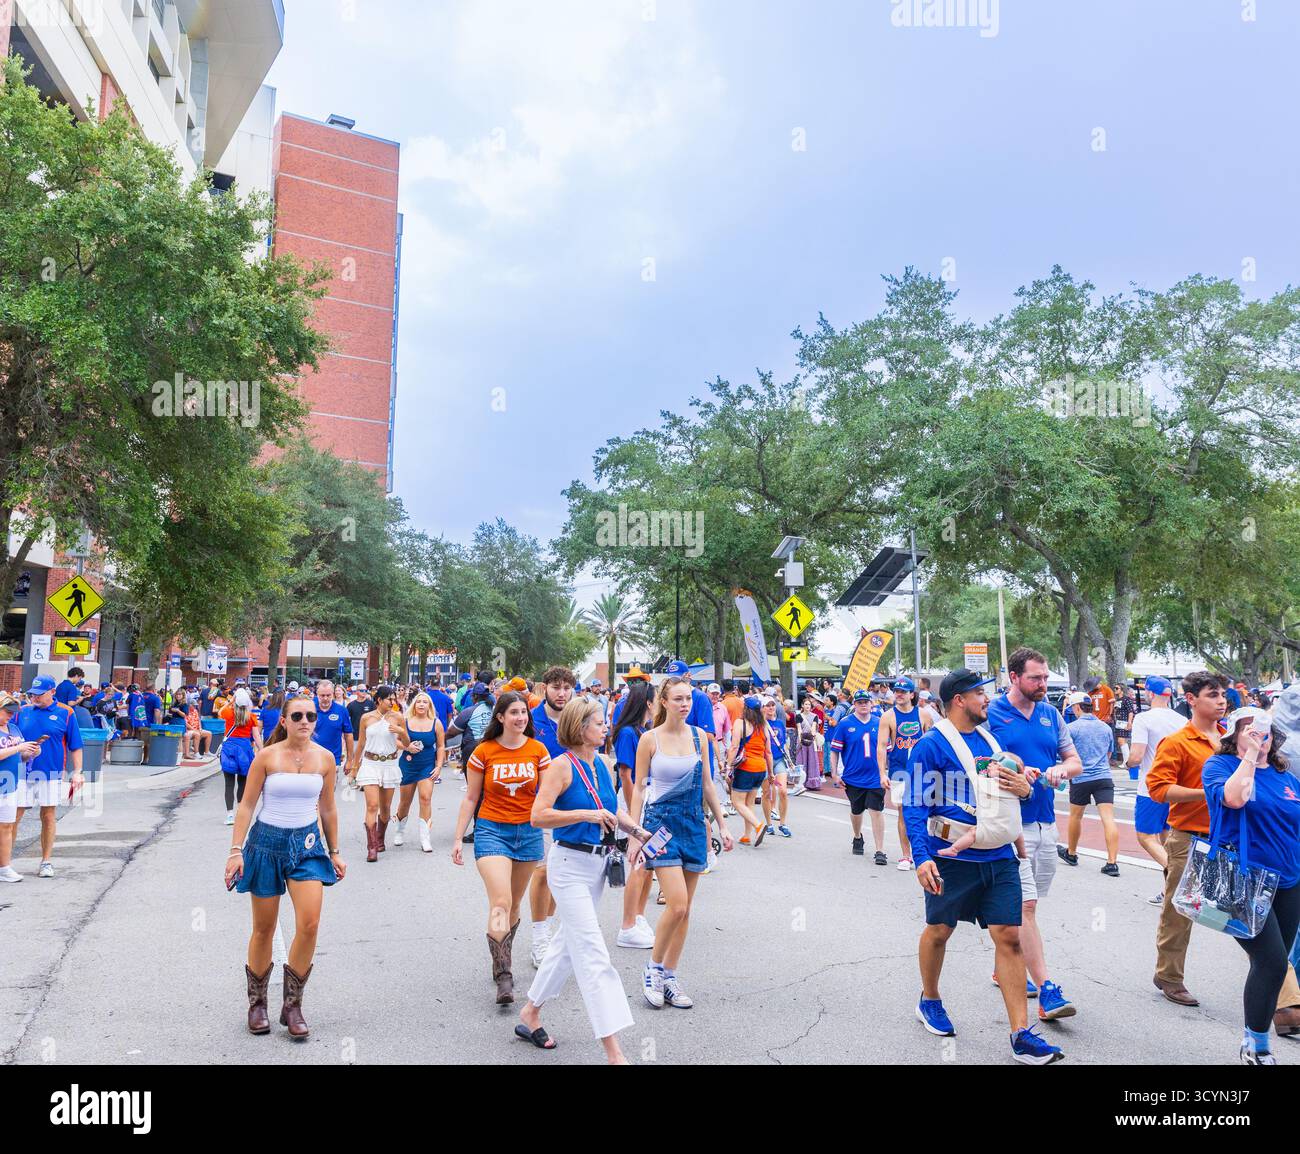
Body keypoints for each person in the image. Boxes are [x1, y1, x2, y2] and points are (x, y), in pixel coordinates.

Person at [902, 668, 1063, 1065]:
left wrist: (1025, 787)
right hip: (951, 857)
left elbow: (1015, 791)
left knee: (1008, 936)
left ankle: (1021, 1035)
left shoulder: (990, 740)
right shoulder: (930, 746)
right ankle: (930, 999)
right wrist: (921, 857)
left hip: (999, 856)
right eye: (979, 694)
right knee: (939, 930)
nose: (987, 699)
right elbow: (914, 805)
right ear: (959, 699)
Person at [517, 697, 653, 1063]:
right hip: (568, 865)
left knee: (566, 945)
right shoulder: (561, 767)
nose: (605, 727)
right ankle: (615, 1053)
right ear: (580, 728)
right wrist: (586, 814)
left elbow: (613, 811)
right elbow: (538, 816)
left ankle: (530, 1011)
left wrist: (640, 833)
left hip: (597, 866)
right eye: (598, 723)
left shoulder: (603, 763)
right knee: (593, 953)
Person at [224, 694, 344, 1039]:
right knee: (264, 927)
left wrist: (335, 850)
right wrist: (236, 850)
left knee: (309, 923)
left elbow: (329, 808)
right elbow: (246, 806)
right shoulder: (267, 756)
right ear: (284, 720)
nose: (305, 721)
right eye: (297, 716)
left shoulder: (325, 758)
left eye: (310, 716)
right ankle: (257, 1003)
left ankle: (293, 1005)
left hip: (306, 846)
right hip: (266, 844)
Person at [986, 647, 1082, 1021]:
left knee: (1029, 905)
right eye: (1035, 678)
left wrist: (1062, 770)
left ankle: (1003, 965)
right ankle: (1048, 992)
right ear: (1014, 677)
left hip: (1045, 822)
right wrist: (1009, 773)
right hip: (1010, 825)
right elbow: (978, 763)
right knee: (1024, 906)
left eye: (1045, 678)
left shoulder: (1051, 714)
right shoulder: (991, 713)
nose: (1043, 684)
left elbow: (1074, 760)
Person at [1202, 707, 1300, 1062]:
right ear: (1233, 734)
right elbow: (1235, 798)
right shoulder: (1220, 766)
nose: (1261, 734)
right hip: (1243, 881)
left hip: (1289, 882)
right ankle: (1255, 1045)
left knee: (1273, 963)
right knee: (1271, 962)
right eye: (1250, 728)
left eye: (1266, 730)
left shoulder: (1285, 775)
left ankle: (1255, 1039)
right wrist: (1250, 755)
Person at [630, 676, 734, 1009]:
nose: (685, 704)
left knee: (686, 910)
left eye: (688, 698)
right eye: (678, 699)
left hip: (692, 824)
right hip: (660, 825)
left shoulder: (699, 736)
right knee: (676, 903)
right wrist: (633, 833)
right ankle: (653, 969)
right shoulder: (649, 739)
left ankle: (671, 975)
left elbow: (707, 783)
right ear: (663, 701)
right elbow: (637, 788)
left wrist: (722, 824)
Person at [451, 691, 550, 1004]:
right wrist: (457, 838)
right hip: (492, 830)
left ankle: (501, 956)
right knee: (501, 902)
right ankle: (504, 973)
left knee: (516, 903)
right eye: (514, 713)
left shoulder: (538, 750)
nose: (520, 718)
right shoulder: (484, 751)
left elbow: (548, 796)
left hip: (529, 834)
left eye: (524, 712)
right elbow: (471, 797)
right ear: (500, 718)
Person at [527, 667, 576, 967]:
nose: (561, 693)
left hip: (572, 805)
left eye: (566, 687)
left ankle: (549, 925)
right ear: (545, 688)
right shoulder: (530, 718)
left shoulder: (577, 716)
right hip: (539, 804)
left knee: (562, 873)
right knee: (543, 871)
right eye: (556, 687)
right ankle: (539, 935)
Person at [1128, 675, 1187, 902]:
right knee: (1166, 837)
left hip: (1151, 787)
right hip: (1176, 787)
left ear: (1150, 694)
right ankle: (1169, 891)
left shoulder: (1144, 719)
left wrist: (1129, 764)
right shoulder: (1182, 721)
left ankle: (1179, 878)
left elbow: (1136, 755)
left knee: (1145, 837)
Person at [611, 678, 657, 949]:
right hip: (635, 799)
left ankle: (638, 916)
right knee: (638, 864)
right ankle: (627, 924)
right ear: (648, 703)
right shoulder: (629, 733)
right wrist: (633, 814)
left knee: (648, 864)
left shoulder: (643, 730)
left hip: (648, 797)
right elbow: (626, 774)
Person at [1058, 692, 1122, 875]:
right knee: (1108, 819)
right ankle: (1112, 862)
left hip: (1080, 778)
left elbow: (1065, 754)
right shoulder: (1105, 727)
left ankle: (1071, 853)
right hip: (1103, 777)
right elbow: (1110, 754)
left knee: (1075, 816)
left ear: (1077, 707)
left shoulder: (1072, 728)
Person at [350, 687, 413, 862]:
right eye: (389, 699)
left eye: (393, 699)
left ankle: (380, 839)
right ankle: (371, 848)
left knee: (385, 808)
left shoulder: (398, 717)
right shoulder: (366, 718)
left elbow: (407, 743)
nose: (392, 702)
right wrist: (354, 768)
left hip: (390, 764)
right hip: (370, 763)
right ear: (379, 700)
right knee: (372, 805)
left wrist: (401, 732)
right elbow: (361, 744)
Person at [878, 677, 933, 871]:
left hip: (922, 771)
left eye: (903, 691)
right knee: (903, 812)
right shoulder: (888, 716)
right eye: (896, 691)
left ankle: (924, 852)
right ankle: (906, 856)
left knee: (925, 811)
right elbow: (882, 746)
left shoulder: (924, 715)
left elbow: (932, 743)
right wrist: (882, 773)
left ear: (912, 694)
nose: (899, 694)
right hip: (898, 771)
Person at [830, 690, 887, 862]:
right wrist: (834, 773)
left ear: (871, 704)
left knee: (876, 810)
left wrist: (886, 772)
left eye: (866, 702)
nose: (863, 705)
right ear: (854, 704)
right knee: (856, 810)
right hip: (853, 776)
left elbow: (886, 750)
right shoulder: (845, 724)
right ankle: (857, 836)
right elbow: (835, 750)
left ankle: (880, 850)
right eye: (859, 702)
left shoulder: (879, 722)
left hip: (875, 776)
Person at [393, 691, 445, 853]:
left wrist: (439, 766)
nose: (421, 704)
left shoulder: (436, 723)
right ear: (414, 705)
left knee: (425, 798)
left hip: (427, 766)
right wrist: (406, 746)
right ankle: (399, 831)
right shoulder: (406, 721)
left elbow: (441, 746)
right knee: (405, 802)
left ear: (429, 705)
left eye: (425, 702)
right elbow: (395, 740)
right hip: (408, 765)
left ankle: (425, 837)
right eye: (419, 702)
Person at [0, 693, 42, 883]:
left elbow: (20, 757)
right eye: (7, 711)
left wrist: (31, 752)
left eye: (13, 712)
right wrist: (19, 748)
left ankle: (4, 867)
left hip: (10, 784)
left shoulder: (14, 728)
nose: (11, 715)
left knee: (7, 826)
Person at [726, 695, 772, 846]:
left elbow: (734, 746)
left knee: (737, 801)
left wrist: (728, 765)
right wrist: (770, 773)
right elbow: (769, 752)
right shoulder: (764, 725)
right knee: (749, 802)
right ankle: (747, 835)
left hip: (746, 767)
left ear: (745, 709)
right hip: (761, 767)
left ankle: (758, 826)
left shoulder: (740, 723)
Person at [219, 688, 263, 827]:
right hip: (245, 750)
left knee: (229, 783)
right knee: (243, 782)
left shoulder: (228, 713)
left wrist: (229, 701)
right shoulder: (251, 717)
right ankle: (241, 811)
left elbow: (219, 712)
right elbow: (256, 737)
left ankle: (230, 814)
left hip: (229, 749)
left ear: (235, 701)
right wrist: (262, 751)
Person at [311, 681, 355, 786]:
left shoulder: (341, 710)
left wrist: (349, 760)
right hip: (311, 757)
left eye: (328, 695)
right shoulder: (309, 709)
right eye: (322, 695)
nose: (325, 698)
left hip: (333, 758)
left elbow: (348, 735)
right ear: (317, 694)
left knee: (328, 794)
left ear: (333, 694)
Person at [762, 694, 793, 837]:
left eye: (772, 705)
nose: (771, 708)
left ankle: (783, 823)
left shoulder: (780, 723)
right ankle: (768, 824)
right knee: (767, 793)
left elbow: (782, 743)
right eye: (767, 705)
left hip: (779, 760)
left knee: (783, 792)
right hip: (764, 761)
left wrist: (790, 760)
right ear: (762, 708)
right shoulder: (760, 724)